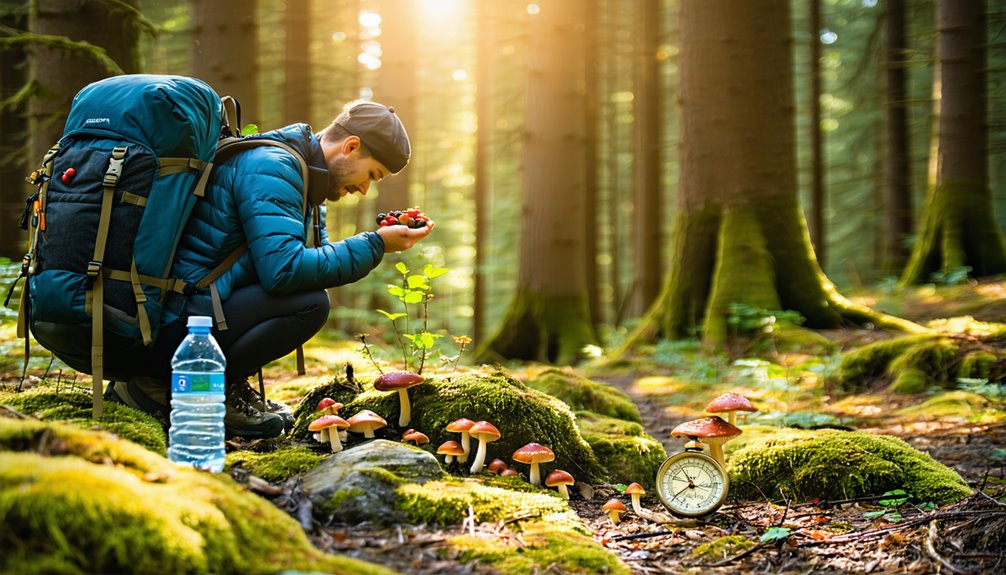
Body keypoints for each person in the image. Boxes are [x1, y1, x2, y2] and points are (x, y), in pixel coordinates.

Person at [104, 100, 433, 439]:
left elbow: (303, 265)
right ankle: (163, 385)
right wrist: (375, 245)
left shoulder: (303, 178)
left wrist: (376, 242)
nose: (364, 190)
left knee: (308, 296)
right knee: (310, 304)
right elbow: (284, 271)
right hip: (170, 322)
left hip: (184, 311)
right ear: (351, 147)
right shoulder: (274, 167)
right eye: (372, 175)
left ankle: (218, 384)